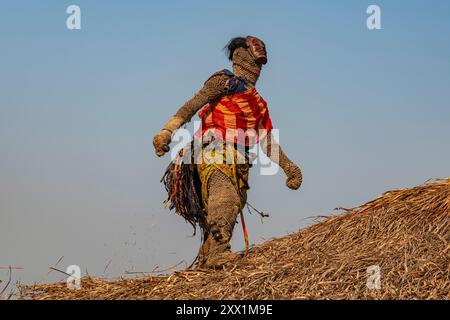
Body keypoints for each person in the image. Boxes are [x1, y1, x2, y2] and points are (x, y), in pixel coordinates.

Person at [153, 36, 302, 267]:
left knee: (229, 207)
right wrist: (167, 131)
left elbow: (266, 139)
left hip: (239, 161)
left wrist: (290, 168)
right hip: (213, 150)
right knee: (226, 198)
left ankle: (208, 257)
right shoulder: (223, 82)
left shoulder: (258, 103)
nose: (259, 60)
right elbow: (194, 104)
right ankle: (218, 254)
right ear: (241, 55)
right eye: (254, 51)